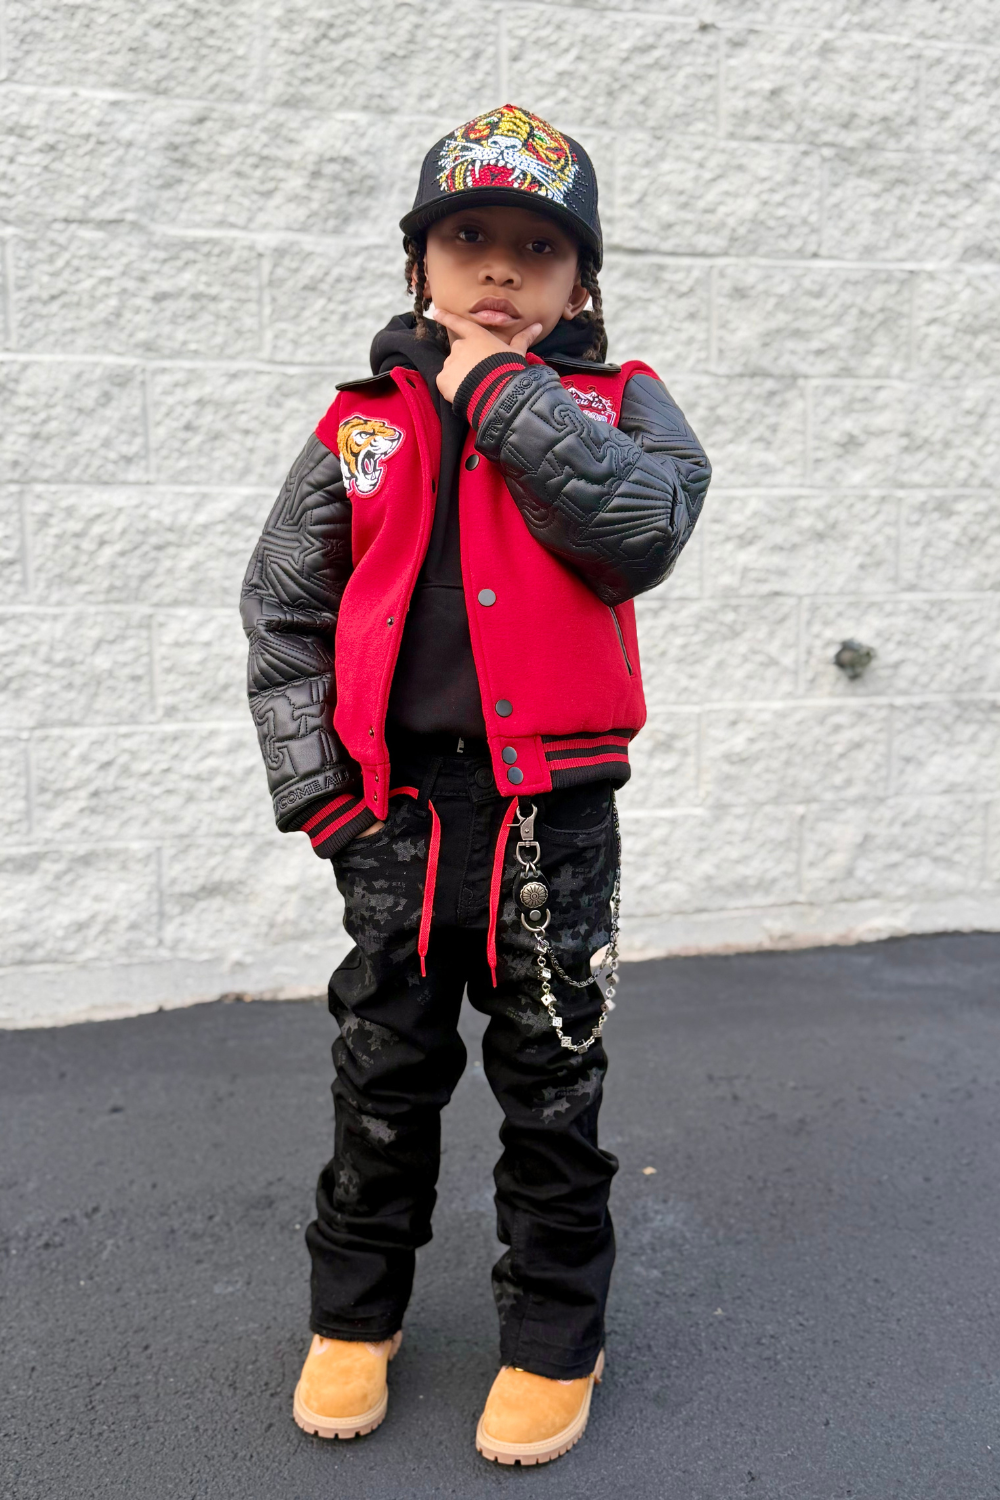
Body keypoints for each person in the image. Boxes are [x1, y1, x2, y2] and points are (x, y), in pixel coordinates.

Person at [240, 103, 710, 1467]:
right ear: (419, 266)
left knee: (551, 1082)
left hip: (554, 821)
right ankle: (353, 1316)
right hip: (396, 819)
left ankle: (557, 1334)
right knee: (380, 1074)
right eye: (468, 239)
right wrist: (324, 798)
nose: (500, 268)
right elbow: (282, 610)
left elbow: (639, 528)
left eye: (537, 247)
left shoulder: (625, 408)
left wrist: (500, 393)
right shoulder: (359, 429)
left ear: (583, 283)